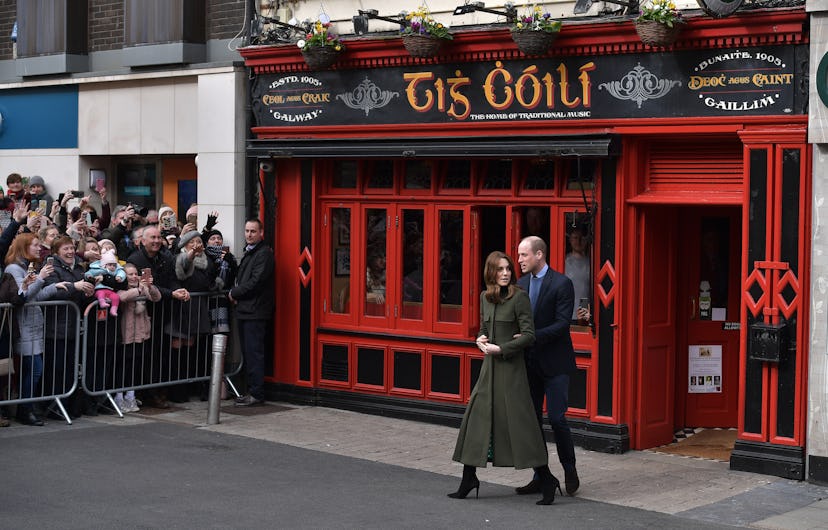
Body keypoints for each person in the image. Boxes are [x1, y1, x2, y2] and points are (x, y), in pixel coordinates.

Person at [449, 251, 560, 505]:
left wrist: (503, 349)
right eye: (500, 270)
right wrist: (480, 339)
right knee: (476, 420)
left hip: (512, 372)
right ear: (491, 273)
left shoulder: (518, 297)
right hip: (489, 370)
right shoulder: (484, 298)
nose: (506, 273)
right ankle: (469, 478)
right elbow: (484, 330)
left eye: (508, 269)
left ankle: (546, 480)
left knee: (522, 426)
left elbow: (529, 335)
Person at [516, 236, 580, 496]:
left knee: (556, 418)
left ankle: (570, 468)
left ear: (539, 255)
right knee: (532, 422)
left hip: (556, 363)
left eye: (524, 255)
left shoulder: (562, 283)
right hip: (529, 364)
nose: (519, 260)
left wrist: (530, 336)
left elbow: (562, 324)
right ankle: (540, 474)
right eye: (519, 255)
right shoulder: (520, 285)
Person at [5, 233, 60, 426]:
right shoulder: (13, 268)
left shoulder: (27, 267)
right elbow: (23, 297)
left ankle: (26, 408)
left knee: (33, 370)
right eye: (35, 245)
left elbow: (35, 296)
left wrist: (54, 287)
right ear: (24, 247)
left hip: (34, 325)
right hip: (24, 325)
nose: (39, 248)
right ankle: (25, 409)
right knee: (33, 369)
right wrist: (41, 278)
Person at [229, 219, 274, 407]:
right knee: (248, 352)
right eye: (247, 230)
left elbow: (256, 281)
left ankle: (256, 393)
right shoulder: (249, 252)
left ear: (261, 233)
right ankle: (251, 391)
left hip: (255, 311)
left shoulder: (263, 254)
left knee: (254, 352)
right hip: (246, 310)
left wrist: (234, 292)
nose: (249, 234)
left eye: (253, 231)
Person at [116, 263, 162, 413]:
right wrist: (139, 289)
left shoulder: (142, 288)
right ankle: (119, 397)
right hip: (126, 334)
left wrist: (150, 286)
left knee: (136, 366)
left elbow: (156, 297)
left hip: (141, 333)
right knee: (124, 367)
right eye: (130, 274)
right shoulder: (121, 287)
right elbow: (122, 297)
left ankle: (131, 395)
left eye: (136, 273)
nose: (134, 276)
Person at [85, 249, 126, 317]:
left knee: (116, 297)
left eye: (114, 265)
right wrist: (88, 276)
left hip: (110, 290)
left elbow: (122, 272)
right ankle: (102, 302)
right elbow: (89, 272)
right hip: (99, 289)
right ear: (104, 265)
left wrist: (120, 277)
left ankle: (113, 309)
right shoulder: (98, 270)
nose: (112, 267)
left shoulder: (115, 271)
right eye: (110, 265)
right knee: (101, 294)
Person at [565, 224, 591, 322]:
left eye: (582, 238)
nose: (578, 241)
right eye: (575, 238)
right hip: (567, 312)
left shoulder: (592, 263)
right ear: (570, 240)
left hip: (586, 311)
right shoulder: (563, 262)